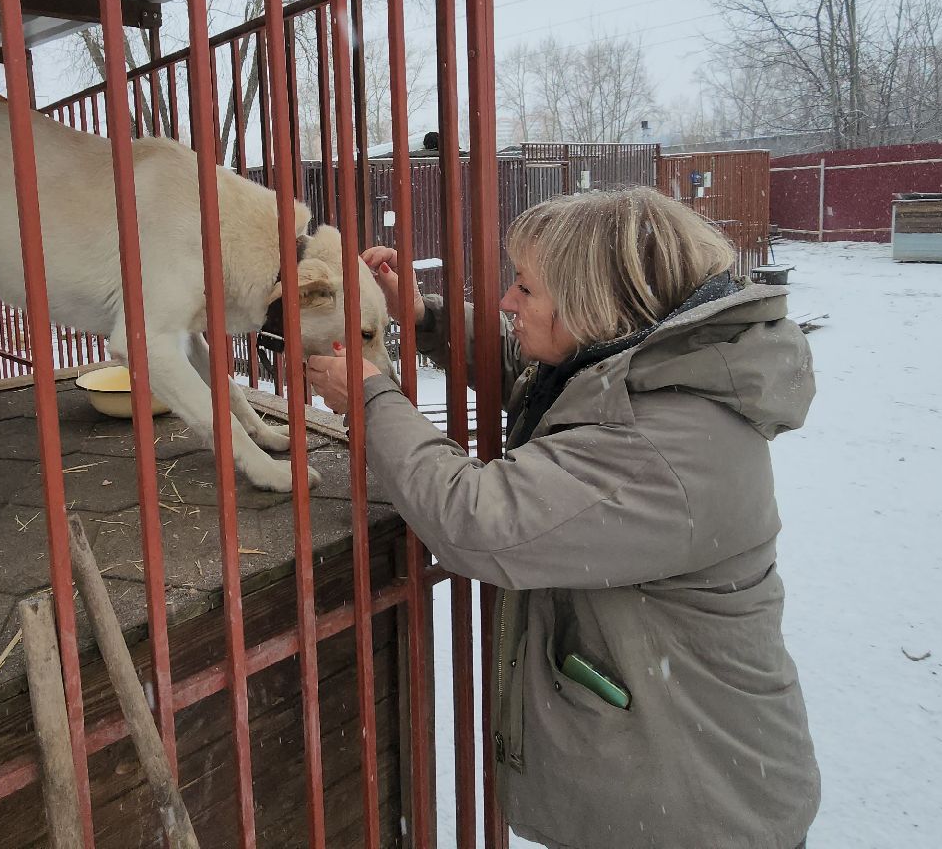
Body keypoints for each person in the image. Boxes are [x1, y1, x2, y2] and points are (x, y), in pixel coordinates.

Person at [306, 187, 819, 849]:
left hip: (701, 813)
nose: (506, 302)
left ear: (594, 309)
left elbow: (476, 521)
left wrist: (374, 397)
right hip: (663, 788)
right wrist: (422, 316)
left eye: (526, 287)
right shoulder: (642, 368)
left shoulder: (663, 444)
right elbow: (528, 364)